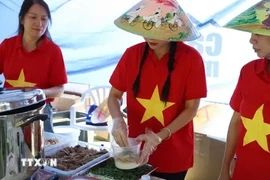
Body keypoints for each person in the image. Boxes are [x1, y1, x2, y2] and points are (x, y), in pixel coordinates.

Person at [107, 0, 207, 179]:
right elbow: (114, 95)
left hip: (175, 153)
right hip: (135, 150)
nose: (151, 36)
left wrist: (160, 136)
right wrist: (117, 119)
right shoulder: (132, 54)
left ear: (172, 29)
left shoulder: (192, 59)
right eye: (147, 28)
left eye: (158, 30)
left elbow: (191, 108)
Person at [218, 1, 270, 180]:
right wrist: (224, 169)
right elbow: (235, 122)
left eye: (258, 33)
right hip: (243, 171)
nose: (251, 40)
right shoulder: (249, 71)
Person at [0, 0, 67, 133]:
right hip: (9, 110)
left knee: (39, 152)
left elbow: (60, 89)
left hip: (40, 110)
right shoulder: (7, 45)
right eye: (33, 17)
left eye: (44, 19)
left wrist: (35, 93)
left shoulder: (53, 51)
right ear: (22, 19)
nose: (39, 23)